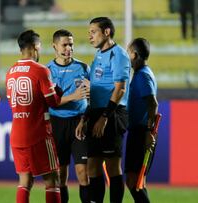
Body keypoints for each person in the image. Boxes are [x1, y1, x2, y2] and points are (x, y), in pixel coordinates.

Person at [6, 29, 62, 203]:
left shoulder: (10, 72)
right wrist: (58, 91)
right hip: (38, 133)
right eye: (40, 47)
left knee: (25, 181)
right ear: (34, 47)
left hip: (17, 134)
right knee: (52, 180)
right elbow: (53, 102)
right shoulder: (40, 70)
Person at [79, 17, 130, 203]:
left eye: (93, 32)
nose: (90, 36)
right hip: (96, 113)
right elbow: (94, 89)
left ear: (106, 32)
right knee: (92, 165)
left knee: (112, 165)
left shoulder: (119, 55)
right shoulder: (99, 55)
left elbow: (120, 88)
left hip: (112, 113)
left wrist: (105, 117)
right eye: (89, 32)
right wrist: (86, 117)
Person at [46, 29, 90, 203]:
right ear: (55, 46)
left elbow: (92, 99)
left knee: (83, 174)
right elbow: (49, 102)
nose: (68, 48)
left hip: (79, 123)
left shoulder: (83, 68)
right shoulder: (47, 71)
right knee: (60, 176)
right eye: (64, 45)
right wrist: (73, 96)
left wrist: (85, 119)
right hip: (57, 124)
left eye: (71, 44)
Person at [125, 38, 158, 203]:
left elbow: (152, 103)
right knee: (136, 182)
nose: (126, 55)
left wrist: (148, 132)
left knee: (134, 182)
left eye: (128, 51)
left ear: (134, 54)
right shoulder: (140, 74)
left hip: (140, 133)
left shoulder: (143, 76)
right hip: (137, 132)